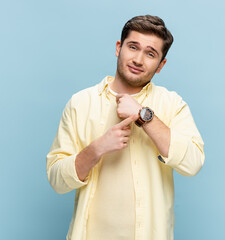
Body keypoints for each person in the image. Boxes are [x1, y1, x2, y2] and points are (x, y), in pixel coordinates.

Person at [46, 15, 205, 240]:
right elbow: (56, 180)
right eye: (133, 47)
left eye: (150, 54)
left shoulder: (172, 104)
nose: (138, 59)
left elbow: (193, 163)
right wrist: (96, 149)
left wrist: (143, 116)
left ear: (161, 65)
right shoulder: (81, 103)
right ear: (119, 48)